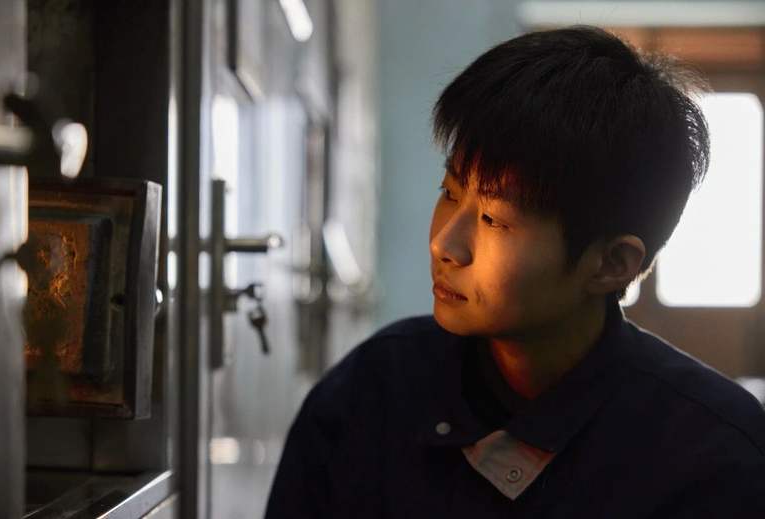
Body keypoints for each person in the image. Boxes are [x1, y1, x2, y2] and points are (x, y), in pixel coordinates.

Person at [264, 26, 765, 518]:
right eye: (450, 192)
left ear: (612, 263)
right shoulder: (370, 393)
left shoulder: (715, 458)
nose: (444, 244)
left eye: (495, 220)